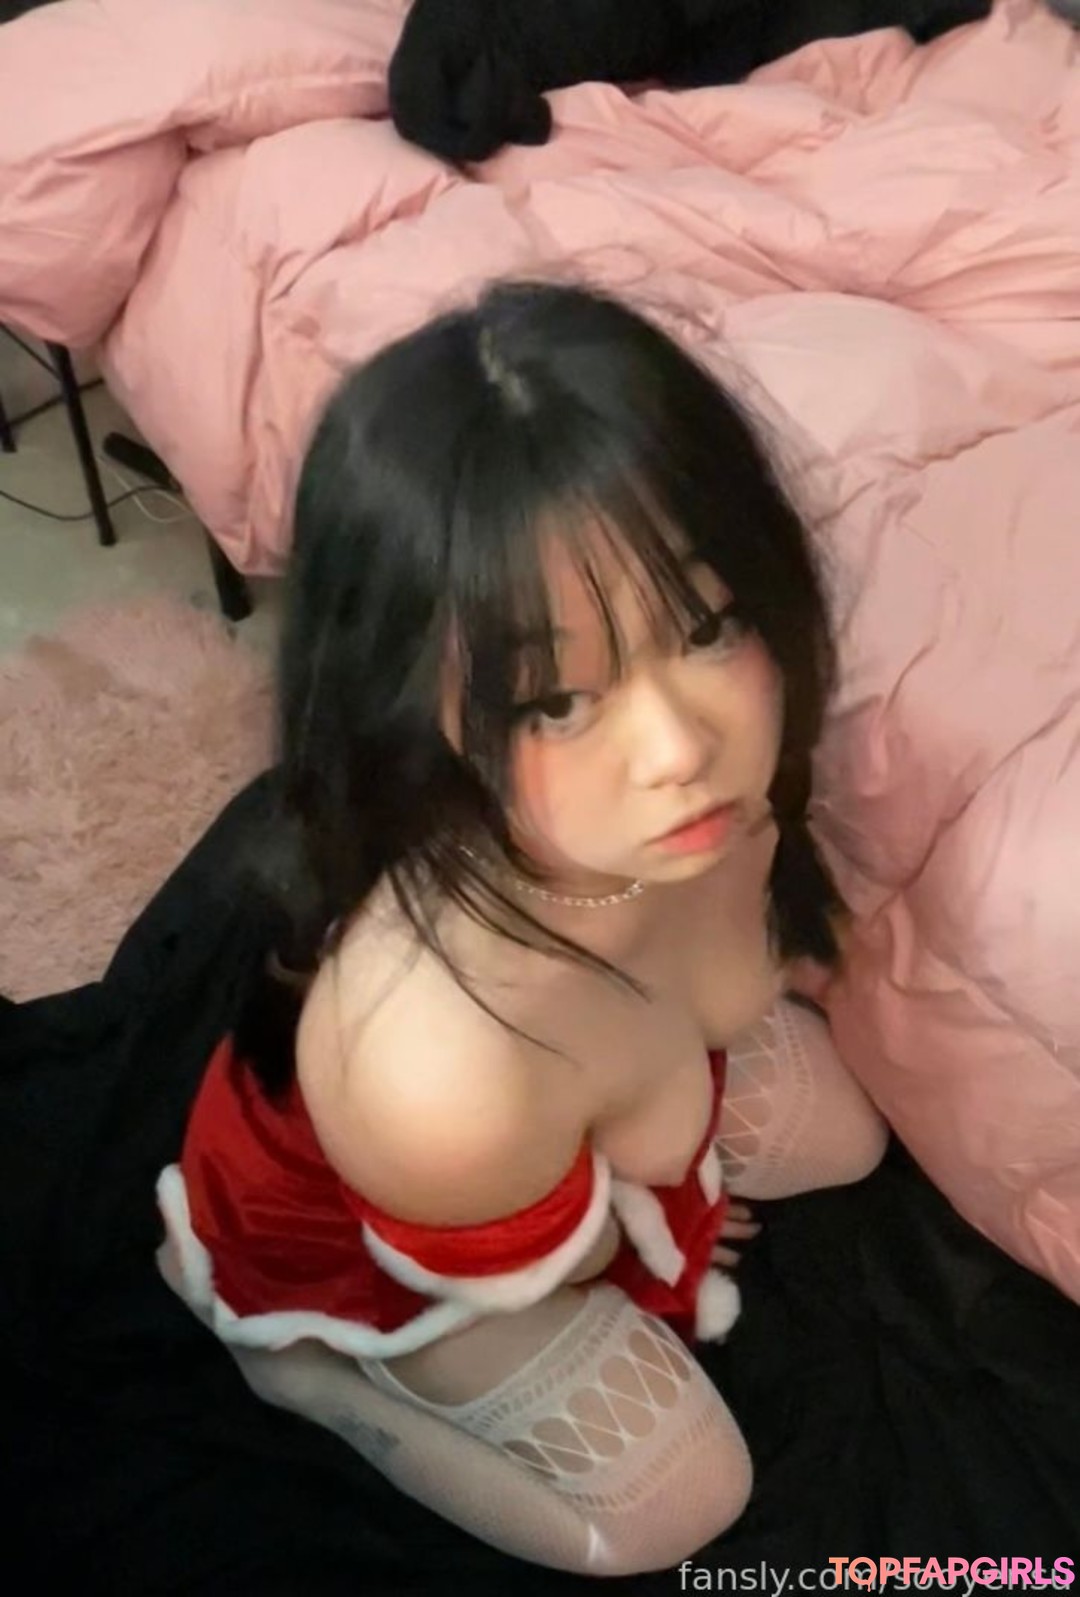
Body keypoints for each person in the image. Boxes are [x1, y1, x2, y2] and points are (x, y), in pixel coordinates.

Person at [156, 280, 887, 1577]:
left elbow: (723, 981)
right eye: (555, 701)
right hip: (421, 1242)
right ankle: (309, 1375)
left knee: (847, 1138)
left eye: (708, 625)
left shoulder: (685, 811)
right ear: (411, 709)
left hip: (582, 1095)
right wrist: (642, 1218)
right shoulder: (435, 1066)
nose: (681, 751)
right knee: (678, 1506)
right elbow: (566, 1256)